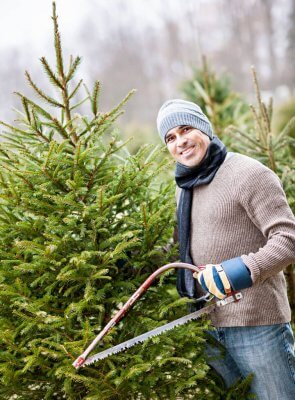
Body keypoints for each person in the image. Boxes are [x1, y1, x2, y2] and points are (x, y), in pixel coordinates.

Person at [156, 99, 295, 399]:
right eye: (170, 137)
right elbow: (179, 248)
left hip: (256, 324)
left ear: (204, 128)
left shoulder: (247, 173)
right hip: (207, 324)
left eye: (185, 129)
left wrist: (239, 271)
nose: (180, 142)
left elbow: (287, 238)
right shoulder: (185, 186)